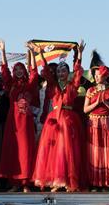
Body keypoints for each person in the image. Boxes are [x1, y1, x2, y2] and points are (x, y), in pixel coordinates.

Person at [32, 41, 85, 192]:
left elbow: (78, 71)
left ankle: (69, 181)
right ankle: (56, 181)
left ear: (68, 73)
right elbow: (46, 71)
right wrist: (40, 54)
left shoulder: (72, 85)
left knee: (69, 150)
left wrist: (79, 55)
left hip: (68, 120)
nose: (61, 73)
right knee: (54, 150)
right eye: (59, 71)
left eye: (64, 71)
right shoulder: (53, 85)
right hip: (54, 119)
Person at [0, 41, 40, 192]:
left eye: (20, 69)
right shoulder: (11, 85)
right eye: (16, 69)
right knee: (14, 150)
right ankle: (15, 183)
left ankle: (26, 183)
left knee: (26, 150)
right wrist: (3, 51)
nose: (18, 71)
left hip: (26, 121)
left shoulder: (29, 84)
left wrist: (33, 53)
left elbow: (34, 71)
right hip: (13, 122)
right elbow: (4, 71)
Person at [84, 51, 109, 191]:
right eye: (95, 75)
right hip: (93, 122)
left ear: (105, 76)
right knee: (94, 151)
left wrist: (105, 102)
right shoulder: (90, 90)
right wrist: (96, 103)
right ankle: (95, 182)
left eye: (99, 75)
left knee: (107, 151)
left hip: (107, 122)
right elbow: (85, 109)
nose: (96, 77)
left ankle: (108, 182)